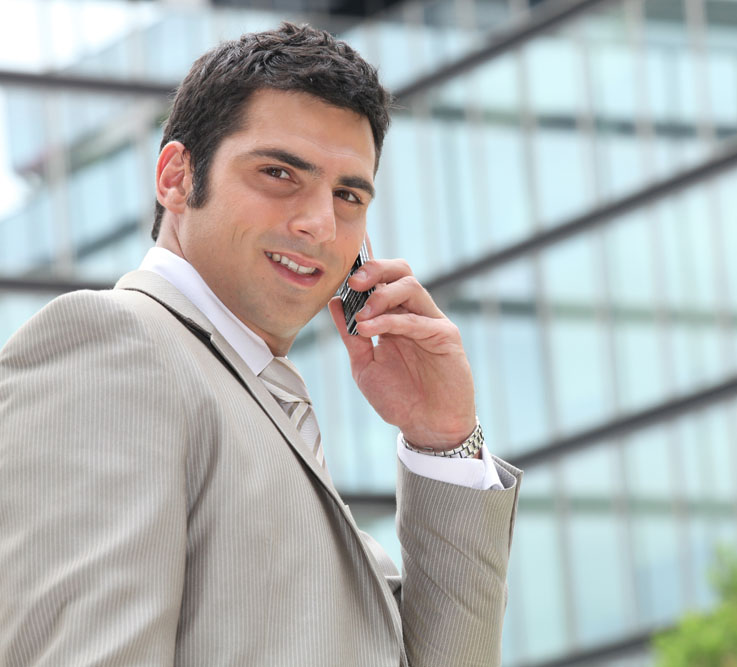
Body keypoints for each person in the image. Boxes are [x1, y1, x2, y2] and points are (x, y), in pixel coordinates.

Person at [0, 23, 521, 666]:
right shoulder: (111, 346)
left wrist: (443, 441)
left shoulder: (259, 408)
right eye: (279, 173)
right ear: (176, 176)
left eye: (348, 195)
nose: (320, 224)